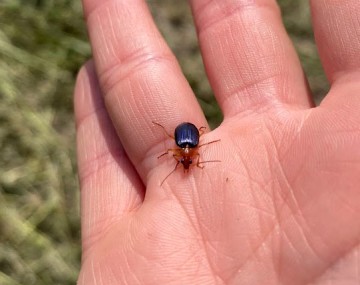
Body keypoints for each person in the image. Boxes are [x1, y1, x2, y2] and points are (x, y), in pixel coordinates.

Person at [75, 1, 360, 284]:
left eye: (186, 161)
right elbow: (181, 151)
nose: (187, 162)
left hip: (185, 133)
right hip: (186, 133)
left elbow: (183, 152)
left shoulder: (187, 151)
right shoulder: (186, 150)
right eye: (186, 161)